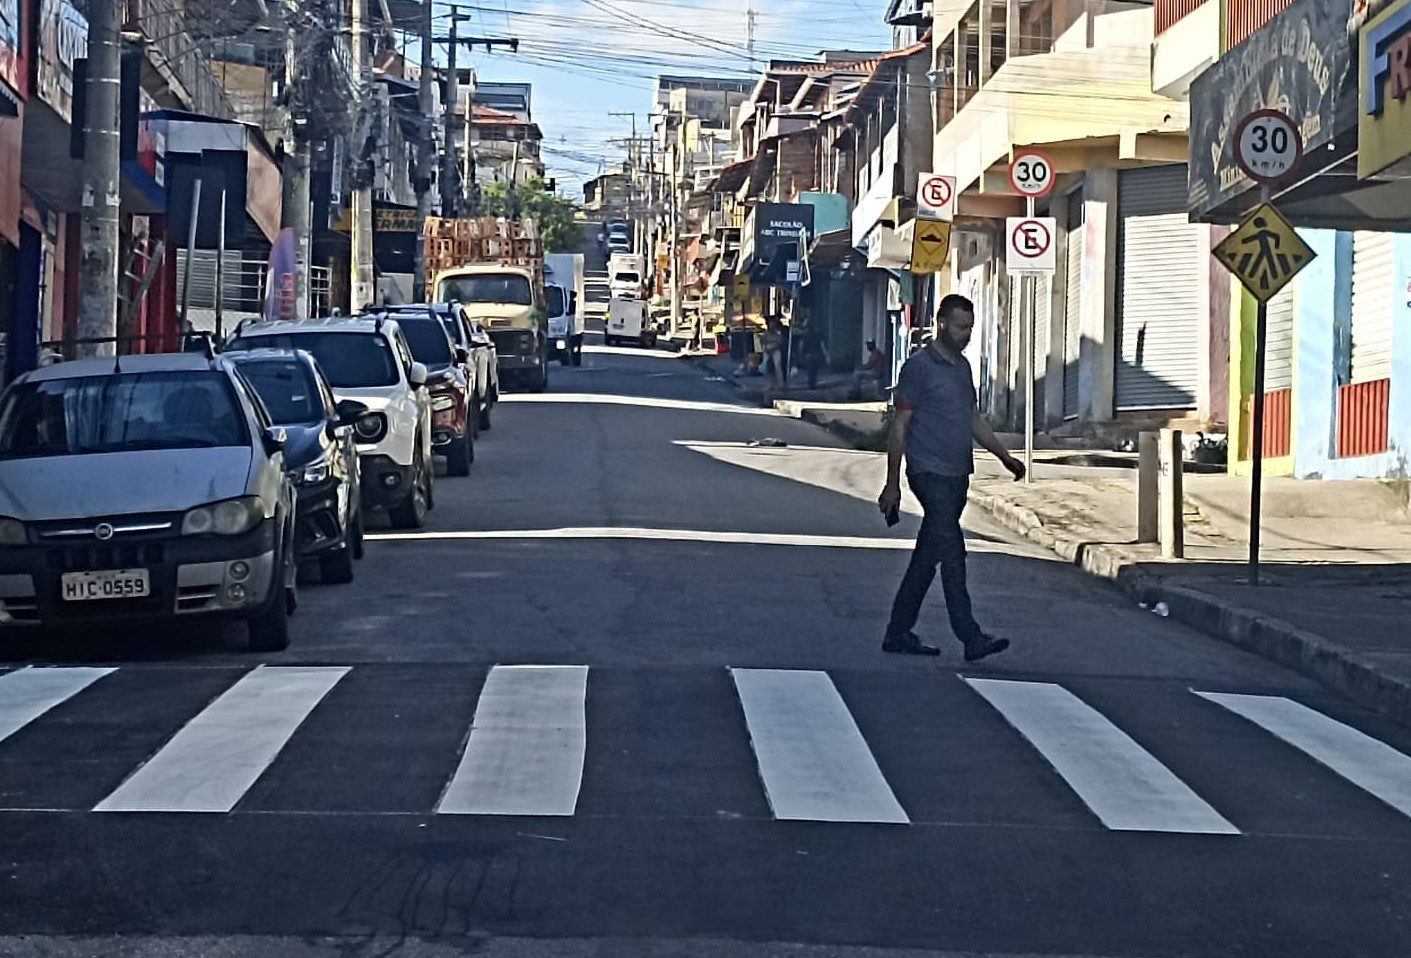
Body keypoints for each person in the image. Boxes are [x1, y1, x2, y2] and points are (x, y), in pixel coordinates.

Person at [877, 294, 1025, 661]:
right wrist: (893, 482)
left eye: (971, 327)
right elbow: (900, 427)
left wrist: (1004, 457)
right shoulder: (918, 368)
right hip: (928, 474)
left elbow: (973, 419)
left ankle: (898, 632)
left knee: (928, 557)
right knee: (953, 555)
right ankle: (970, 637)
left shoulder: (962, 368)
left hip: (958, 475)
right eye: (961, 326)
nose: (967, 334)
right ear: (941, 323)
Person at [798, 324, 829, 389]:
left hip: (808, 355)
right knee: (815, 370)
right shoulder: (818, 335)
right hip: (817, 354)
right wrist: (826, 355)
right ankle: (813, 382)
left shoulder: (804, 336)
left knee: (810, 371)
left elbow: (801, 346)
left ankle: (811, 383)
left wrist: (800, 355)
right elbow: (822, 346)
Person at [761, 316, 786, 388]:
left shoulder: (778, 333)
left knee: (777, 366)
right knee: (767, 369)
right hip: (768, 351)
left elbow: (780, 342)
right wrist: (766, 348)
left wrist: (773, 346)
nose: (771, 326)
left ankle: (780, 384)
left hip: (776, 351)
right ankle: (770, 384)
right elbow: (763, 342)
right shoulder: (766, 334)